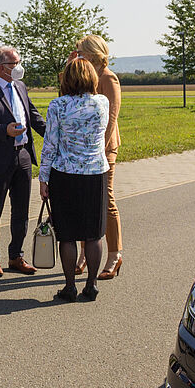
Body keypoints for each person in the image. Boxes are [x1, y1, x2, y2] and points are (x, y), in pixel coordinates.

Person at [38, 57, 110, 302]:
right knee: (93, 234)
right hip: (95, 173)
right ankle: (91, 284)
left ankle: (70, 286)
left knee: (67, 235)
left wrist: (43, 178)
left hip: (65, 175)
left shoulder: (57, 106)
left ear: (66, 79)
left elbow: (50, 145)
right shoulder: (102, 102)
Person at [0, 45, 46, 277]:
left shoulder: (21, 86)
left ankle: (16, 256)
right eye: (14, 63)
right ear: (1, 67)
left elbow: (33, 116)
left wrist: (56, 135)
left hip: (23, 155)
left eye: (18, 61)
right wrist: (5, 130)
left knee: (21, 209)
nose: (19, 66)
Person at [77, 35, 123, 280]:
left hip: (104, 149)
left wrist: (100, 149)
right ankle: (85, 252)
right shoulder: (86, 75)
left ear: (93, 52)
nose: (78, 55)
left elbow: (111, 118)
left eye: (81, 51)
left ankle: (114, 254)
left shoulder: (108, 77)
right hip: (84, 149)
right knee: (86, 201)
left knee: (106, 199)